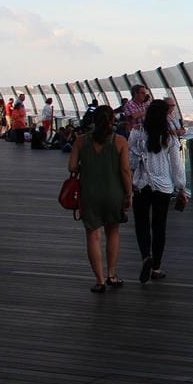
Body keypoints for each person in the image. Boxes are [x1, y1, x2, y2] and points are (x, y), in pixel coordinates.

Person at [68, 105, 132, 292]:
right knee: (113, 231)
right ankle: (112, 274)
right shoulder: (119, 141)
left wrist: (85, 167)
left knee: (93, 235)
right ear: (113, 120)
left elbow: (71, 167)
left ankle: (100, 280)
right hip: (114, 193)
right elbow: (125, 171)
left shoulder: (81, 141)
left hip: (89, 193)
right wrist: (128, 194)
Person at [129, 99, 187, 284]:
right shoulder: (169, 137)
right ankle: (156, 267)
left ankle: (146, 256)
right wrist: (181, 188)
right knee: (159, 225)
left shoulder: (137, 134)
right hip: (163, 186)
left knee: (141, 223)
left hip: (141, 184)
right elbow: (177, 166)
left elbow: (130, 162)